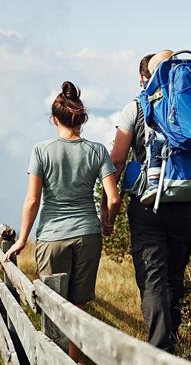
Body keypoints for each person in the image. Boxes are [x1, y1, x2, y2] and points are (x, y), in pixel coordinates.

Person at [100, 51, 191, 354]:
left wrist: (109, 203)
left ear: (144, 77)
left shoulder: (136, 107)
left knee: (153, 278)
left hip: (148, 204)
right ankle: (170, 343)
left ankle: (160, 351)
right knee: (175, 274)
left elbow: (118, 159)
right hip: (187, 201)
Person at [4, 81, 121, 363]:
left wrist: (21, 240)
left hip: (52, 236)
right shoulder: (97, 151)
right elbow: (114, 198)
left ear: (54, 119)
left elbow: (32, 201)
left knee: (53, 305)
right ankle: (74, 361)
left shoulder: (41, 151)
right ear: (81, 118)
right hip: (88, 234)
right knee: (78, 307)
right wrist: (107, 221)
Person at [139, 50, 173, 205]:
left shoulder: (154, 93)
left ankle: (153, 184)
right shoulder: (182, 88)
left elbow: (149, 117)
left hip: (165, 135)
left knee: (156, 145)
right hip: (185, 205)